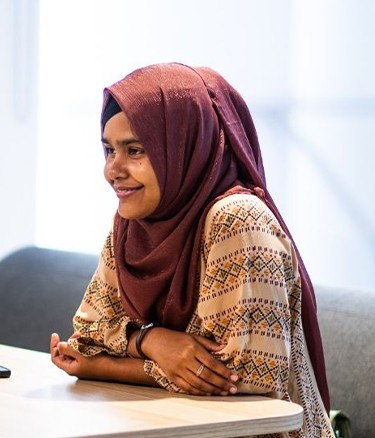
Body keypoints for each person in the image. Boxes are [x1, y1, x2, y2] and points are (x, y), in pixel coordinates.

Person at [50, 63, 334, 437]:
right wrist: (153, 341)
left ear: (185, 146)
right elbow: (88, 334)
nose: (112, 170)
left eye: (134, 150)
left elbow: (239, 381)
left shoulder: (237, 220)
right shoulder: (134, 221)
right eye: (108, 150)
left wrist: (106, 365)